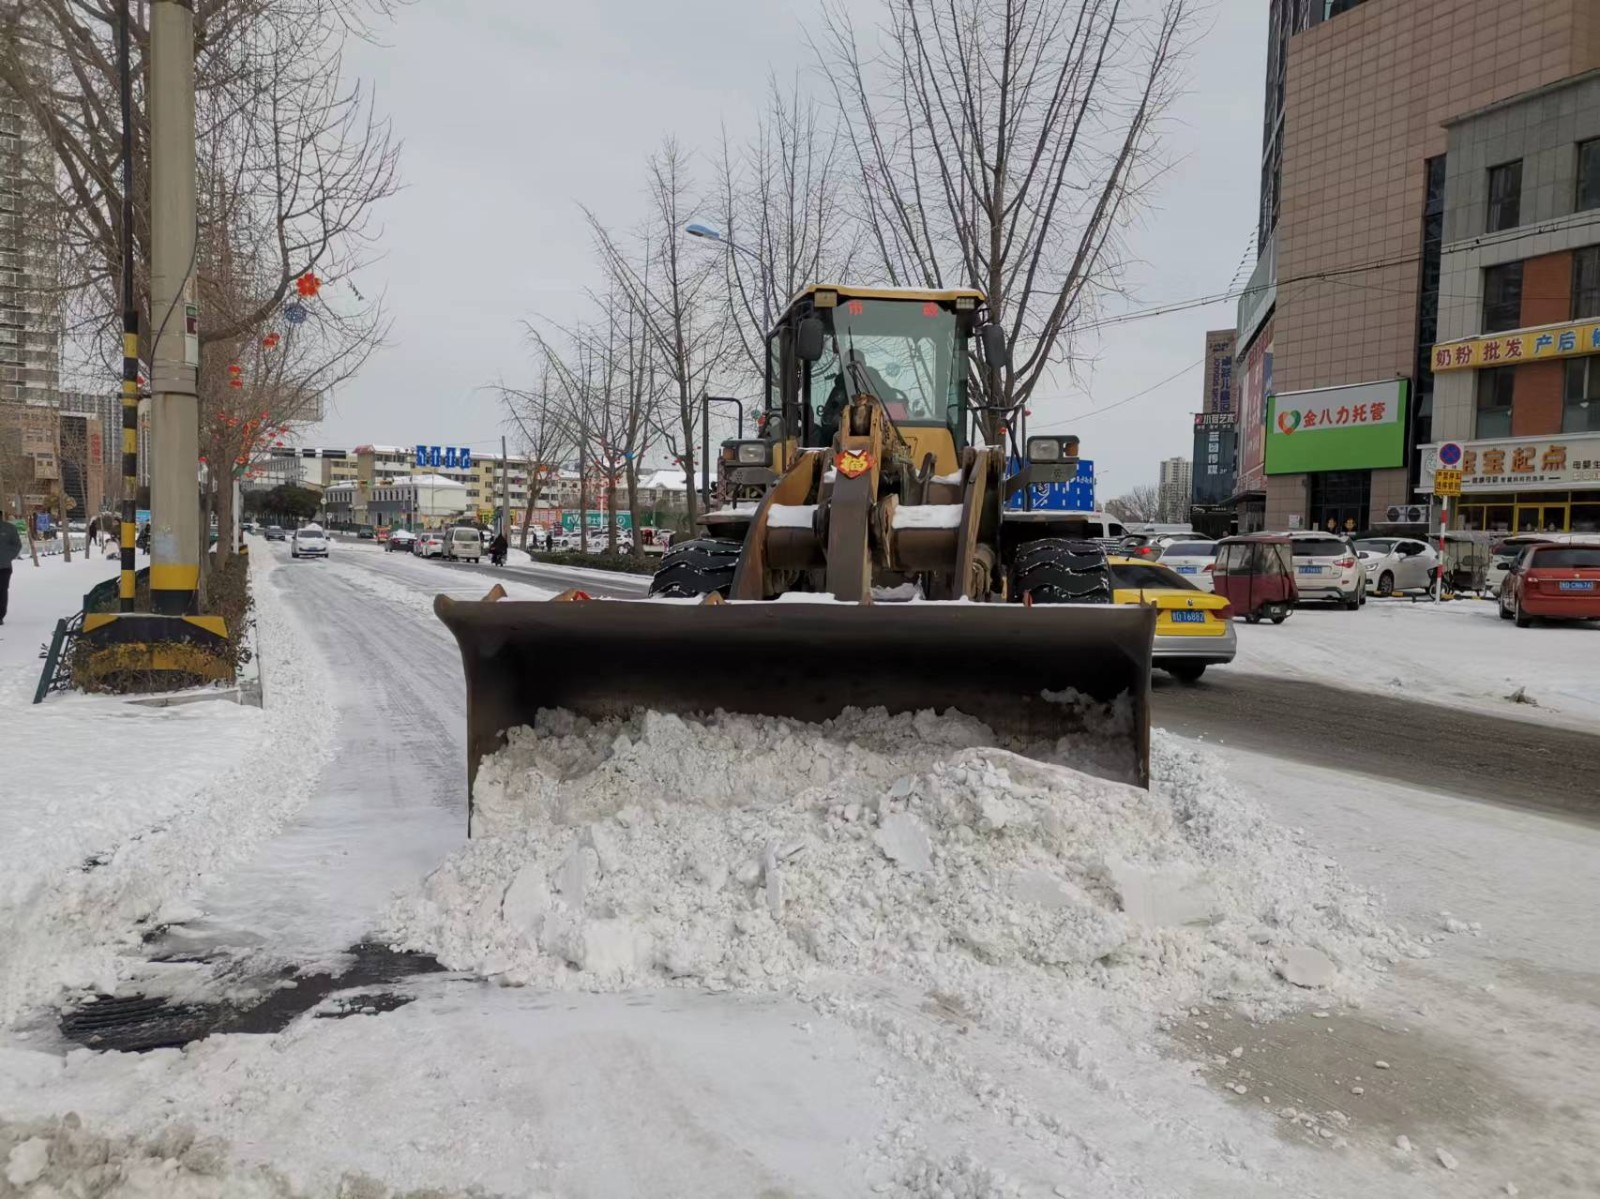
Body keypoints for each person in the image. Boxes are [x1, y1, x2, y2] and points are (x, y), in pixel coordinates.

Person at [0, 517, 21, 626]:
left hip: (4, 567)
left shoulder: (9, 528)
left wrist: (7, 557)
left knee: (2, 591)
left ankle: (0, 615)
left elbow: (17, 545)